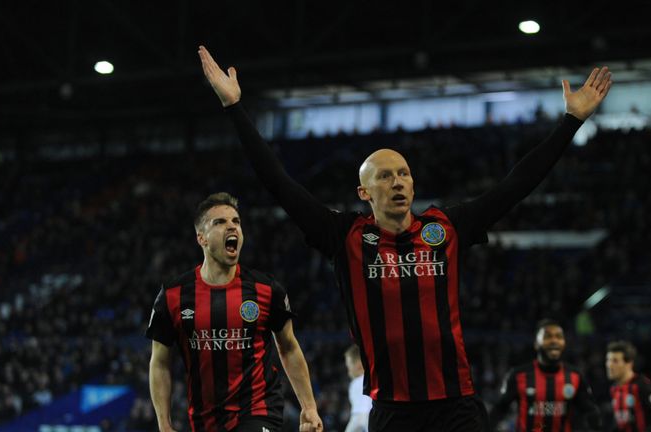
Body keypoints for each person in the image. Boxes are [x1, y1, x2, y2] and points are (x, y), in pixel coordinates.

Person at [199, 45, 612, 432]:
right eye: (384, 176)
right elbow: (279, 183)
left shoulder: (446, 228)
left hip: (458, 406)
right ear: (365, 193)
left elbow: (516, 184)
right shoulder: (345, 236)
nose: (398, 181)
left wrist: (570, 122)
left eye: (404, 174)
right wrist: (234, 107)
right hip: (394, 411)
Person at [146, 192, 323, 432]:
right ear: (202, 238)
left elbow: (289, 347)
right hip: (204, 420)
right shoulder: (173, 296)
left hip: (258, 411)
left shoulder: (267, 289)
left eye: (236, 221)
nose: (232, 226)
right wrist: (164, 424)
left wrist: (309, 406)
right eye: (219, 222)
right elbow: (160, 363)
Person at [490, 319, 601, 432]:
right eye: (547, 336)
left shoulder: (575, 376)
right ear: (536, 344)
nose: (554, 340)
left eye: (559, 336)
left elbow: (590, 412)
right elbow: (498, 410)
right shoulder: (518, 375)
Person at [606, 340, 651, 432]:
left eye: (615, 361)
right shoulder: (614, 389)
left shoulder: (642, 385)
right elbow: (622, 423)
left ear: (629, 364)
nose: (609, 365)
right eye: (608, 360)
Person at [344, 345, 372, 432]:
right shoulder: (373, 379)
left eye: (349, 367)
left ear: (359, 366)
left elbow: (360, 412)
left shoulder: (355, 383)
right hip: (373, 418)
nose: (348, 372)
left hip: (360, 417)